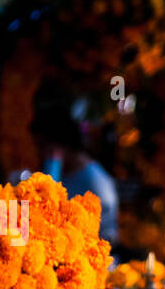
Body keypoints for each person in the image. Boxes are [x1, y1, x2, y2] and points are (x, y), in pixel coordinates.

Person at [33, 107, 121, 251]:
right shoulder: (57, 172)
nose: (39, 153)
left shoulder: (96, 181)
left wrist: (53, 164)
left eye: (42, 146)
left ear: (61, 145)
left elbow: (109, 238)